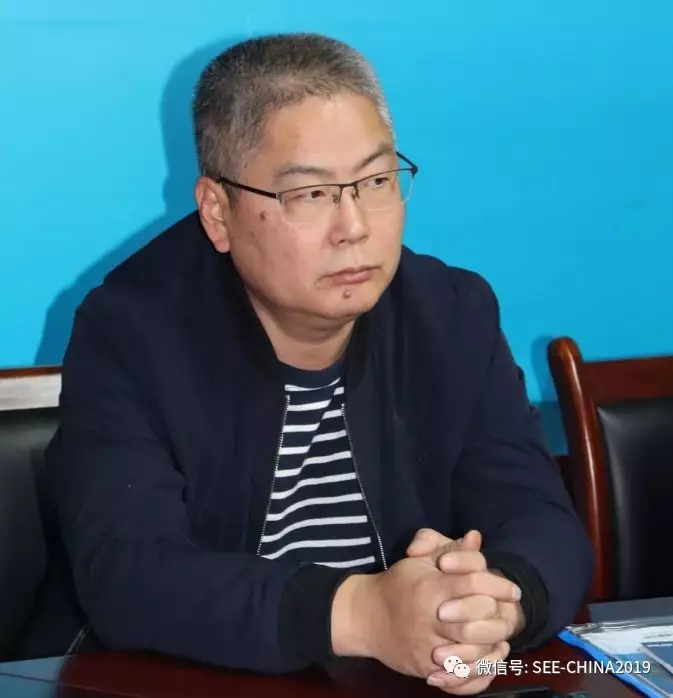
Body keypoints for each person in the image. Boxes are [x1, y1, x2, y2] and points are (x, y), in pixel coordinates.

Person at [15, 33, 593, 695]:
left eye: (376, 181)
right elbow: (131, 575)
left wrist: (493, 605)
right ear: (217, 213)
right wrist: (361, 613)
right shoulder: (131, 332)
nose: (354, 226)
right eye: (311, 194)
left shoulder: (450, 314)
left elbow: (540, 518)